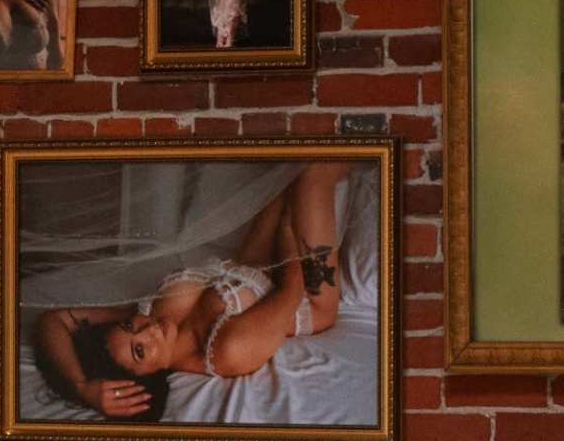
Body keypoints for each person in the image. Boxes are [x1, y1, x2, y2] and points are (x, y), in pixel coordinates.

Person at [30, 159, 351, 423]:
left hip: (250, 265)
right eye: (140, 351)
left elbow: (53, 320)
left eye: (129, 327)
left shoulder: (147, 317)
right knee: (313, 172)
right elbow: (290, 290)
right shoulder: (227, 350)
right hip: (308, 295)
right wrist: (289, 221)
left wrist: (82, 387)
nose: (147, 331)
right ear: (149, 377)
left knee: (288, 166)